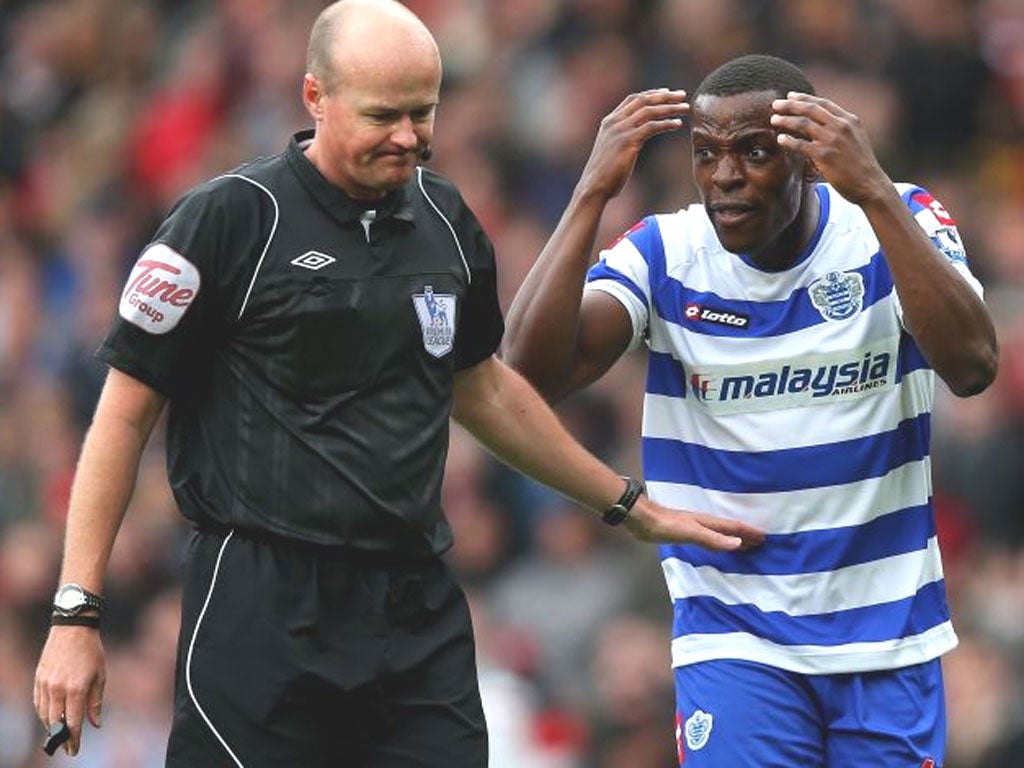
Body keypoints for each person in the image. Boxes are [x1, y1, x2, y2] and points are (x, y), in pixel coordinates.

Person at [31, 2, 763, 765]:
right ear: (315, 97)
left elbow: (481, 390)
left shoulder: (445, 219)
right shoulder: (227, 222)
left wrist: (623, 503)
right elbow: (121, 418)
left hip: (412, 606)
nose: (410, 137)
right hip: (261, 605)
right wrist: (76, 615)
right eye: (384, 116)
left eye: (424, 113)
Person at [503, 54, 998, 768]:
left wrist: (877, 194)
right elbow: (529, 373)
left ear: (809, 159)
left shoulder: (897, 221)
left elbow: (973, 365)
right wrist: (589, 195)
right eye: (707, 154)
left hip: (889, 636)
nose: (724, 177)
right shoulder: (667, 252)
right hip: (735, 636)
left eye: (754, 152)